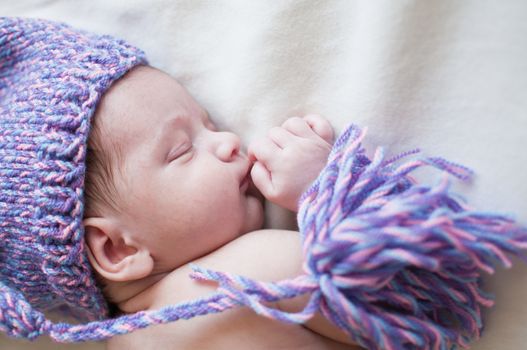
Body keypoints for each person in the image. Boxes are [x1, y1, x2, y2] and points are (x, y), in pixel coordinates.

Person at [0, 17, 358, 349]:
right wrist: (326, 187)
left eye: (210, 124)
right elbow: (404, 290)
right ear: (118, 249)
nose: (228, 140)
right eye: (182, 150)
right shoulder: (246, 271)